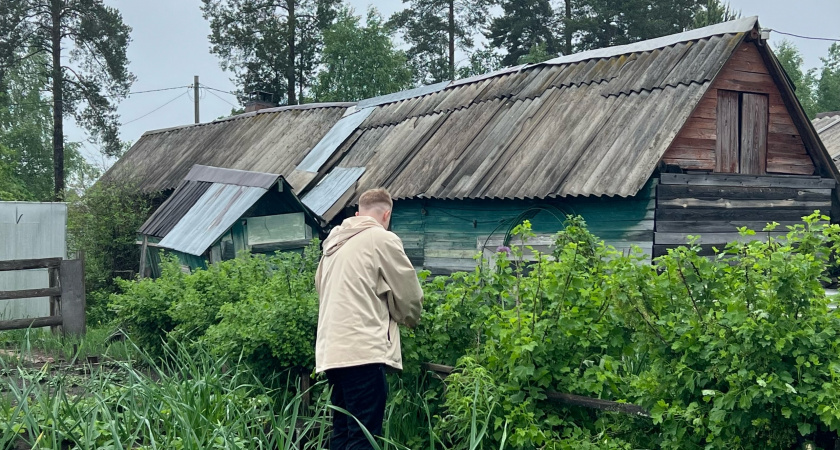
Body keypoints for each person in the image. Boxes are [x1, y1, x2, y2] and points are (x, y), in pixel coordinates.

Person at [315, 187, 424, 449]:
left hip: (332, 352)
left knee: (342, 430)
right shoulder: (381, 238)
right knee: (363, 435)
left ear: (357, 214)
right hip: (363, 350)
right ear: (386, 215)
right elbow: (409, 295)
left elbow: (321, 289)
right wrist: (407, 319)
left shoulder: (333, 246)